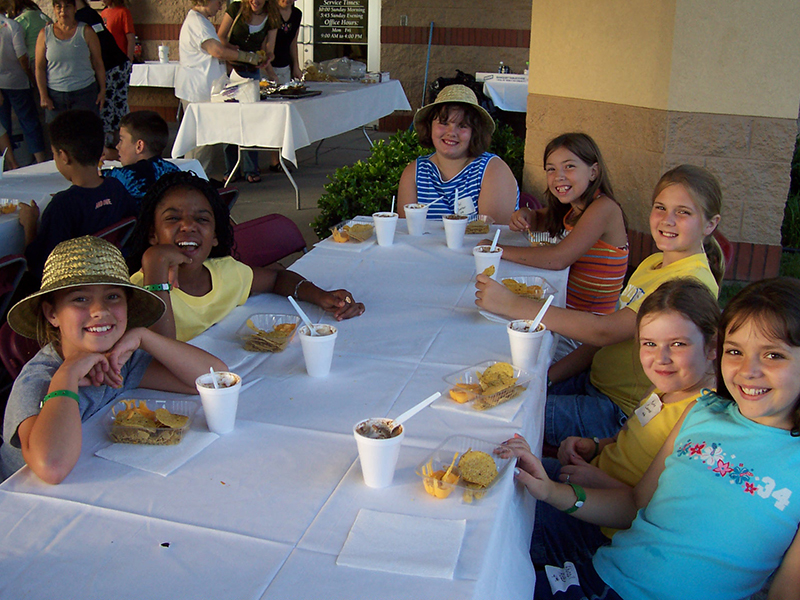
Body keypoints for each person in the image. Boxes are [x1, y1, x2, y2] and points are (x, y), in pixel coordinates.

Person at [500, 277, 800, 600]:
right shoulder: (701, 411)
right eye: (736, 351)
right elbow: (634, 506)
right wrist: (550, 490)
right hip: (597, 580)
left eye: (772, 355)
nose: (747, 370)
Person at [477, 164, 724, 444]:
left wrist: (513, 305)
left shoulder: (688, 282)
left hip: (617, 408)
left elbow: (604, 330)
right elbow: (604, 342)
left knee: (504, 417)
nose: (668, 220)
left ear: (710, 224)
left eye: (683, 212)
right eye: (660, 207)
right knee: (497, 393)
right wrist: (547, 377)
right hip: (594, 381)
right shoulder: (655, 263)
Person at [0, 235, 227, 483]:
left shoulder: (118, 359)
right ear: (52, 313)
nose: (100, 311)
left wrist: (145, 337)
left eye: (113, 297)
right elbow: (52, 467)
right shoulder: (38, 381)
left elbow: (215, 380)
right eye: (80, 299)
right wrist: (67, 375)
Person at [530, 277, 719, 567]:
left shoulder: (700, 416)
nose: (661, 358)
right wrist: (594, 446)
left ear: (712, 347)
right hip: (586, 479)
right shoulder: (667, 386)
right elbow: (632, 440)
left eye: (678, 344)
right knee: (507, 475)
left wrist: (601, 482)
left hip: (604, 529)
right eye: (649, 344)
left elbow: (657, 508)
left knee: (506, 521)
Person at [126, 171, 365, 342]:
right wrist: (155, 262)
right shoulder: (135, 292)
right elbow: (161, 351)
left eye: (201, 219)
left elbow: (276, 279)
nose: (188, 226)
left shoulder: (225, 273)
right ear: (152, 234)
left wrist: (320, 295)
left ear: (216, 236)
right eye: (173, 218)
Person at [480, 133, 628, 359]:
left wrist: (496, 249)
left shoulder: (604, 209)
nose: (559, 176)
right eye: (551, 169)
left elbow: (558, 258)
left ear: (593, 172)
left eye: (569, 167)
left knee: (499, 348)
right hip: (566, 314)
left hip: (584, 333)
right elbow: (540, 217)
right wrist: (526, 214)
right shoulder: (574, 208)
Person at [19, 109, 136, 282]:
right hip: (111, 273)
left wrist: (29, 225)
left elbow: (39, 266)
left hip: (71, 284)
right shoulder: (116, 188)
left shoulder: (62, 205)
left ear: (64, 156)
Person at [397, 84, 518, 225]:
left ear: (475, 132)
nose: (451, 132)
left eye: (462, 126)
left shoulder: (493, 170)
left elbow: (491, 235)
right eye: (443, 123)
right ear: (430, 126)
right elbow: (406, 230)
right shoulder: (414, 172)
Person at [175, 0, 264, 174]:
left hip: (204, 88)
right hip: (197, 90)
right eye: (218, 1)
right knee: (200, 143)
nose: (221, 5)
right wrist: (249, 57)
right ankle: (196, 181)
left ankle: (200, 180)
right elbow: (217, 50)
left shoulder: (201, 21)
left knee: (205, 141)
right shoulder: (197, 22)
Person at [218, 0, 276, 184]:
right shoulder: (236, 8)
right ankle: (231, 168)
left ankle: (251, 167)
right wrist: (229, 49)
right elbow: (220, 36)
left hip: (252, 71)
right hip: (231, 70)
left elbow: (270, 49)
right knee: (230, 119)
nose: (255, 1)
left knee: (252, 120)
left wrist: (267, 58)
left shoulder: (272, 16)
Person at [35, 0, 105, 122]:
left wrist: (103, 90)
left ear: (74, 9)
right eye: (59, 7)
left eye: (67, 7)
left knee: (85, 135)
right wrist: (43, 95)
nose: (63, 11)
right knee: (58, 137)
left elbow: (98, 63)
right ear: (54, 9)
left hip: (84, 93)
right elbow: (40, 67)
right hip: (55, 96)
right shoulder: (44, 34)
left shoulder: (86, 31)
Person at [74, 0, 130, 152]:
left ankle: (107, 150)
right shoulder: (91, 13)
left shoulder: (80, 19)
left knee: (105, 107)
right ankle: (122, 147)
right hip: (120, 63)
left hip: (108, 67)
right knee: (118, 109)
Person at [103, 110, 180, 204]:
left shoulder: (122, 176)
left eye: (121, 140)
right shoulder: (174, 171)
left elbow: (90, 180)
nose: (117, 146)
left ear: (139, 146)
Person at [0, 8, 46, 163]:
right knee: (28, 121)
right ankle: (39, 159)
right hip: (17, 81)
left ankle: (8, 162)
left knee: (3, 126)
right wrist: (30, 77)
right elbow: (21, 56)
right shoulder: (12, 25)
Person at [264, 0, 300, 174]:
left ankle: (277, 159)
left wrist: (296, 66)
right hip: (267, 68)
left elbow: (293, 42)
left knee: (282, 116)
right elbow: (266, 45)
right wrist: (270, 72)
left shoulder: (297, 14)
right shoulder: (270, 12)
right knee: (268, 115)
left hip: (284, 67)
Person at [0, 0, 50, 68]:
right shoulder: (39, 14)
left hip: (34, 60)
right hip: (48, 57)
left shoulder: (22, 20)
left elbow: (18, 52)